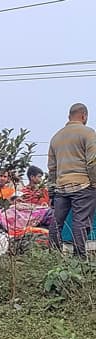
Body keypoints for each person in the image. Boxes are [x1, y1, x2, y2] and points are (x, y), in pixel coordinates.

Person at [48, 102, 96, 257]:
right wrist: (94, 183)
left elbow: (52, 169)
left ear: (69, 116)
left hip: (61, 187)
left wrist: (51, 192)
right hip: (83, 186)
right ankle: (80, 260)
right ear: (84, 116)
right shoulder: (88, 133)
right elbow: (92, 162)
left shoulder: (56, 137)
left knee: (57, 223)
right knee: (81, 223)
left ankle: (52, 256)